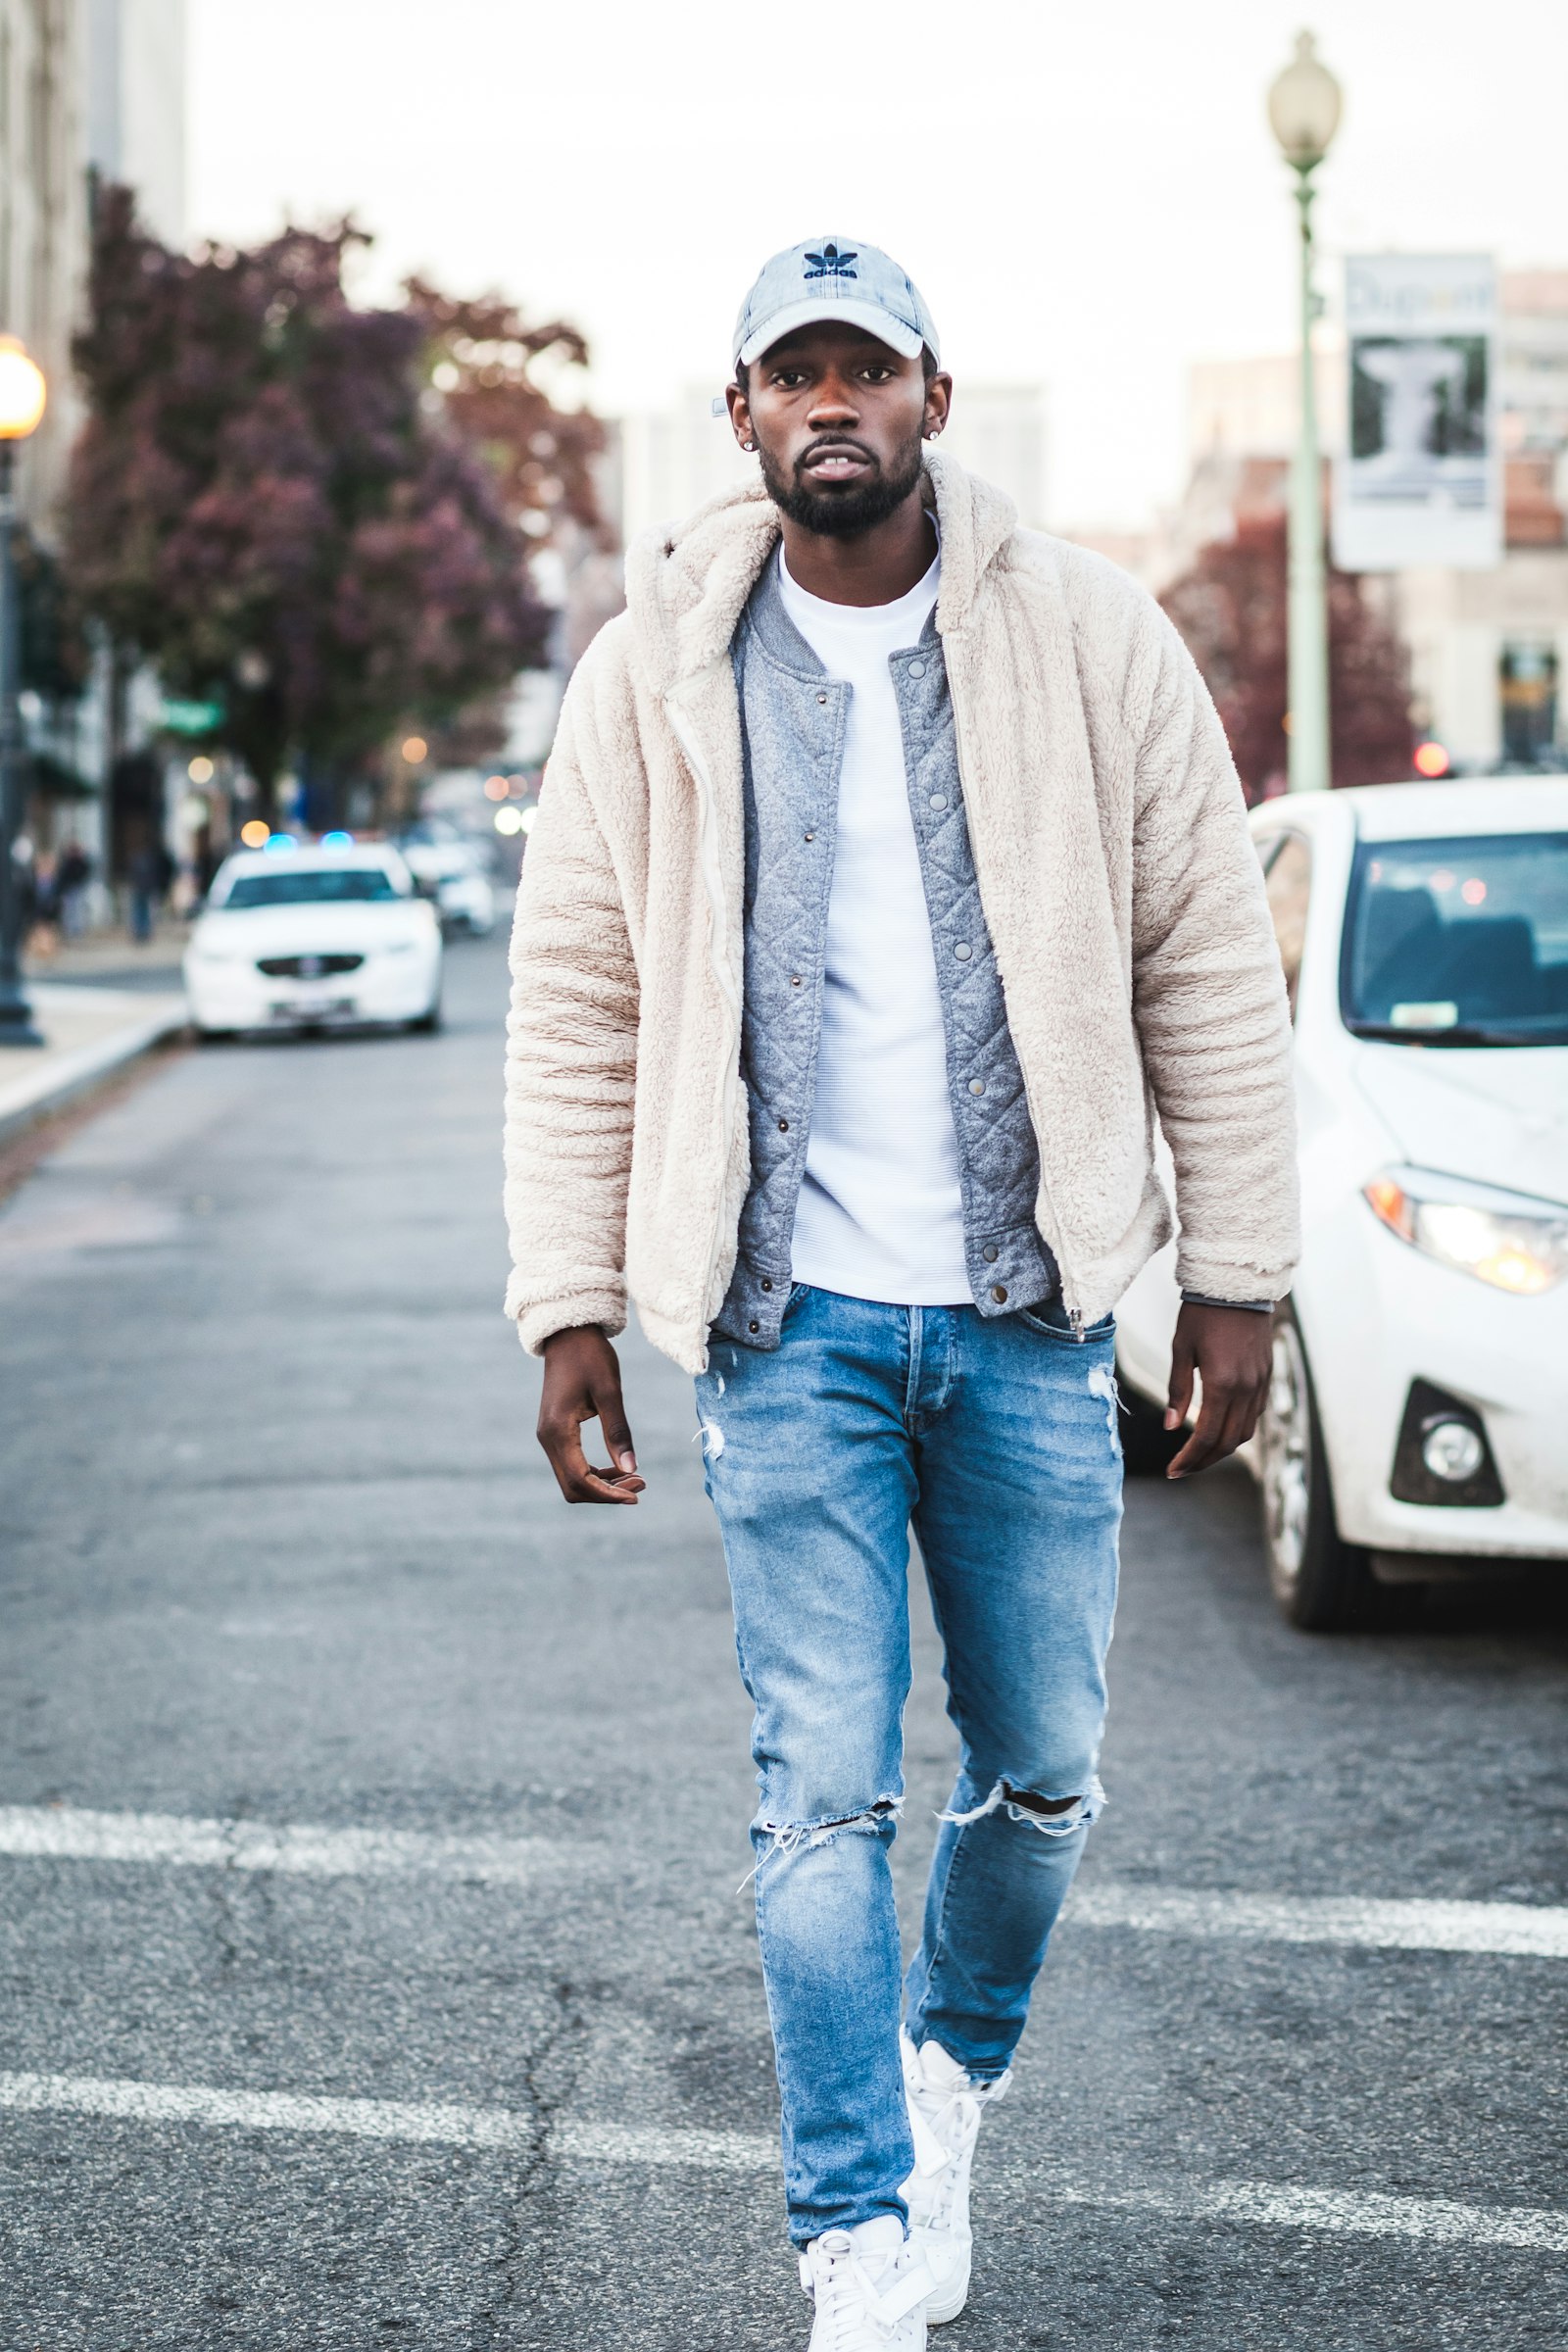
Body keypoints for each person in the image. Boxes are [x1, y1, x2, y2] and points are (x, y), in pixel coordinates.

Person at [503, 238, 1298, 2348]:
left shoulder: (1088, 637)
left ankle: (952, 2066)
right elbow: (578, 999)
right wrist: (566, 1298)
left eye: (867, 369)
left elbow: (1203, 958)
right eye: (794, 373)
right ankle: (850, 2231)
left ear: (934, 399)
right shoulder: (649, 671)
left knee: (1040, 1775)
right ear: (741, 416)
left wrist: (1237, 1271)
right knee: (816, 1800)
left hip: (1032, 1320)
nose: (830, 405)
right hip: (790, 1329)